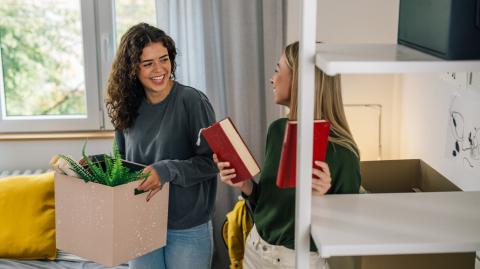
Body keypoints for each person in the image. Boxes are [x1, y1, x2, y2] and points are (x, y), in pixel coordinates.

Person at [214, 41, 361, 269]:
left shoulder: (343, 154)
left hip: (296, 262)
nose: (272, 79)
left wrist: (322, 201)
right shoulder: (277, 130)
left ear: (302, 80)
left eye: (277, 70)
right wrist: (246, 185)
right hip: (254, 249)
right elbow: (267, 202)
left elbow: (345, 232)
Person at [105, 23, 217, 269]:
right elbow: (121, 162)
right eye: (148, 64)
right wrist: (98, 172)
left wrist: (165, 170)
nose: (159, 69)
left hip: (187, 225)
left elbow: (213, 162)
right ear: (132, 69)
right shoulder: (127, 107)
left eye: (164, 59)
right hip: (141, 221)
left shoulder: (192, 101)